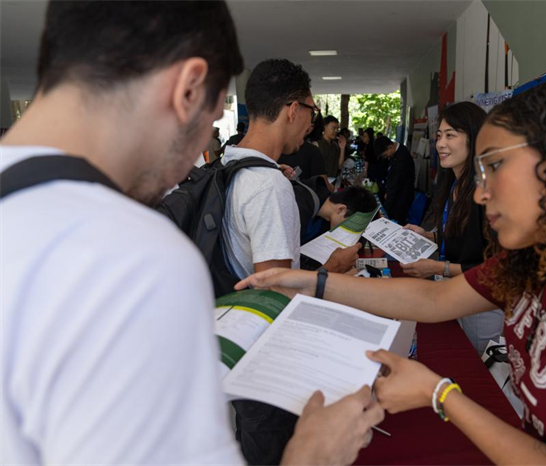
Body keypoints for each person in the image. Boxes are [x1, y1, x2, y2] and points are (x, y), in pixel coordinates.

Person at [236, 77, 546, 465]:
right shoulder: (544, 257)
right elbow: (438, 299)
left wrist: (441, 395)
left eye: (495, 166)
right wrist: (313, 281)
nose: (481, 194)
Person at [0, 2, 383, 465]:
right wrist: (312, 453)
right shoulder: (131, 257)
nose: (201, 152)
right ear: (188, 87)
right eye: (213, 115)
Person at [220, 58, 361, 464]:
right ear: (293, 109)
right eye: (312, 112)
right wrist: (331, 271)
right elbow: (275, 291)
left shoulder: (227, 162)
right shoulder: (267, 186)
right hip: (264, 356)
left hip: (231, 336)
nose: (312, 125)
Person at [402, 102, 502, 355]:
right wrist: (430, 235)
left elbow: (495, 265)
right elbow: (465, 238)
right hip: (457, 293)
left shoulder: (486, 191)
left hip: (483, 304)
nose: (440, 144)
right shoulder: (454, 183)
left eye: (450, 136)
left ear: (475, 138)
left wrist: (437, 268)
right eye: (438, 136)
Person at [375, 135, 415, 225]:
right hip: (396, 192)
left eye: (385, 155)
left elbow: (395, 184)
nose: (386, 157)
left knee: (397, 222)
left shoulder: (402, 158)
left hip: (401, 197)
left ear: (390, 147)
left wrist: (385, 210)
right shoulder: (396, 151)